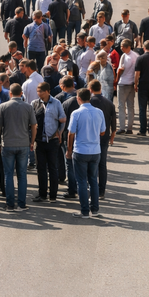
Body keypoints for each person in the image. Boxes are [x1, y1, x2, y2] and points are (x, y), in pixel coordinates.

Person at [0, 83, 37, 212]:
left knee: (8, 174)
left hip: (7, 144)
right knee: (22, 175)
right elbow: (34, 125)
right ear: (21, 94)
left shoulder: (3, 106)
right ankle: (22, 204)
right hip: (23, 143)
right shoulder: (28, 107)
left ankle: (10, 204)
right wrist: (32, 141)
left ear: (10, 93)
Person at [66, 88, 107, 219]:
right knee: (93, 180)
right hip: (95, 151)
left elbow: (71, 133)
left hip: (80, 151)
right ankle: (95, 209)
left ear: (78, 98)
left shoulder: (76, 113)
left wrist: (69, 149)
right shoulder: (99, 112)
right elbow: (102, 131)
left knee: (82, 181)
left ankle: (84, 211)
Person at [32, 82, 66, 203]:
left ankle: (53, 195)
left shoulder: (56, 103)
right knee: (41, 168)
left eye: (40, 91)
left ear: (47, 91)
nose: (38, 93)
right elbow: (31, 121)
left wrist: (60, 132)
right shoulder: (35, 104)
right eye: (38, 91)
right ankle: (42, 194)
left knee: (53, 168)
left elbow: (63, 119)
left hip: (52, 141)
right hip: (39, 141)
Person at [88, 80, 116, 200]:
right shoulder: (109, 103)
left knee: (90, 164)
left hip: (90, 137)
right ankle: (101, 192)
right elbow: (113, 124)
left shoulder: (89, 103)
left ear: (90, 90)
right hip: (104, 138)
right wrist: (112, 138)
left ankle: (91, 190)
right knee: (102, 164)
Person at [114, 39, 139, 134]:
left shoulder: (124, 56)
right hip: (132, 83)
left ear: (126, 46)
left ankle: (122, 127)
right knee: (130, 106)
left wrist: (116, 80)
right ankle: (130, 128)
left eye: (121, 46)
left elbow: (120, 69)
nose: (121, 48)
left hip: (123, 83)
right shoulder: (136, 56)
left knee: (121, 106)